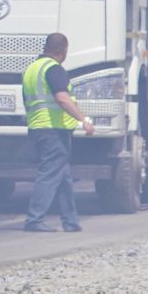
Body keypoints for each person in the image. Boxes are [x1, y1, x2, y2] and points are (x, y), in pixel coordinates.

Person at [21, 31, 93, 233]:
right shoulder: (54, 69)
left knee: (63, 177)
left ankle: (70, 221)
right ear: (63, 50)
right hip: (53, 129)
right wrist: (83, 120)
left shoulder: (32, 69)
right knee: (50, 174)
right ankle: (34, 219)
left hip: (38, 127)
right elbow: (62, 99)